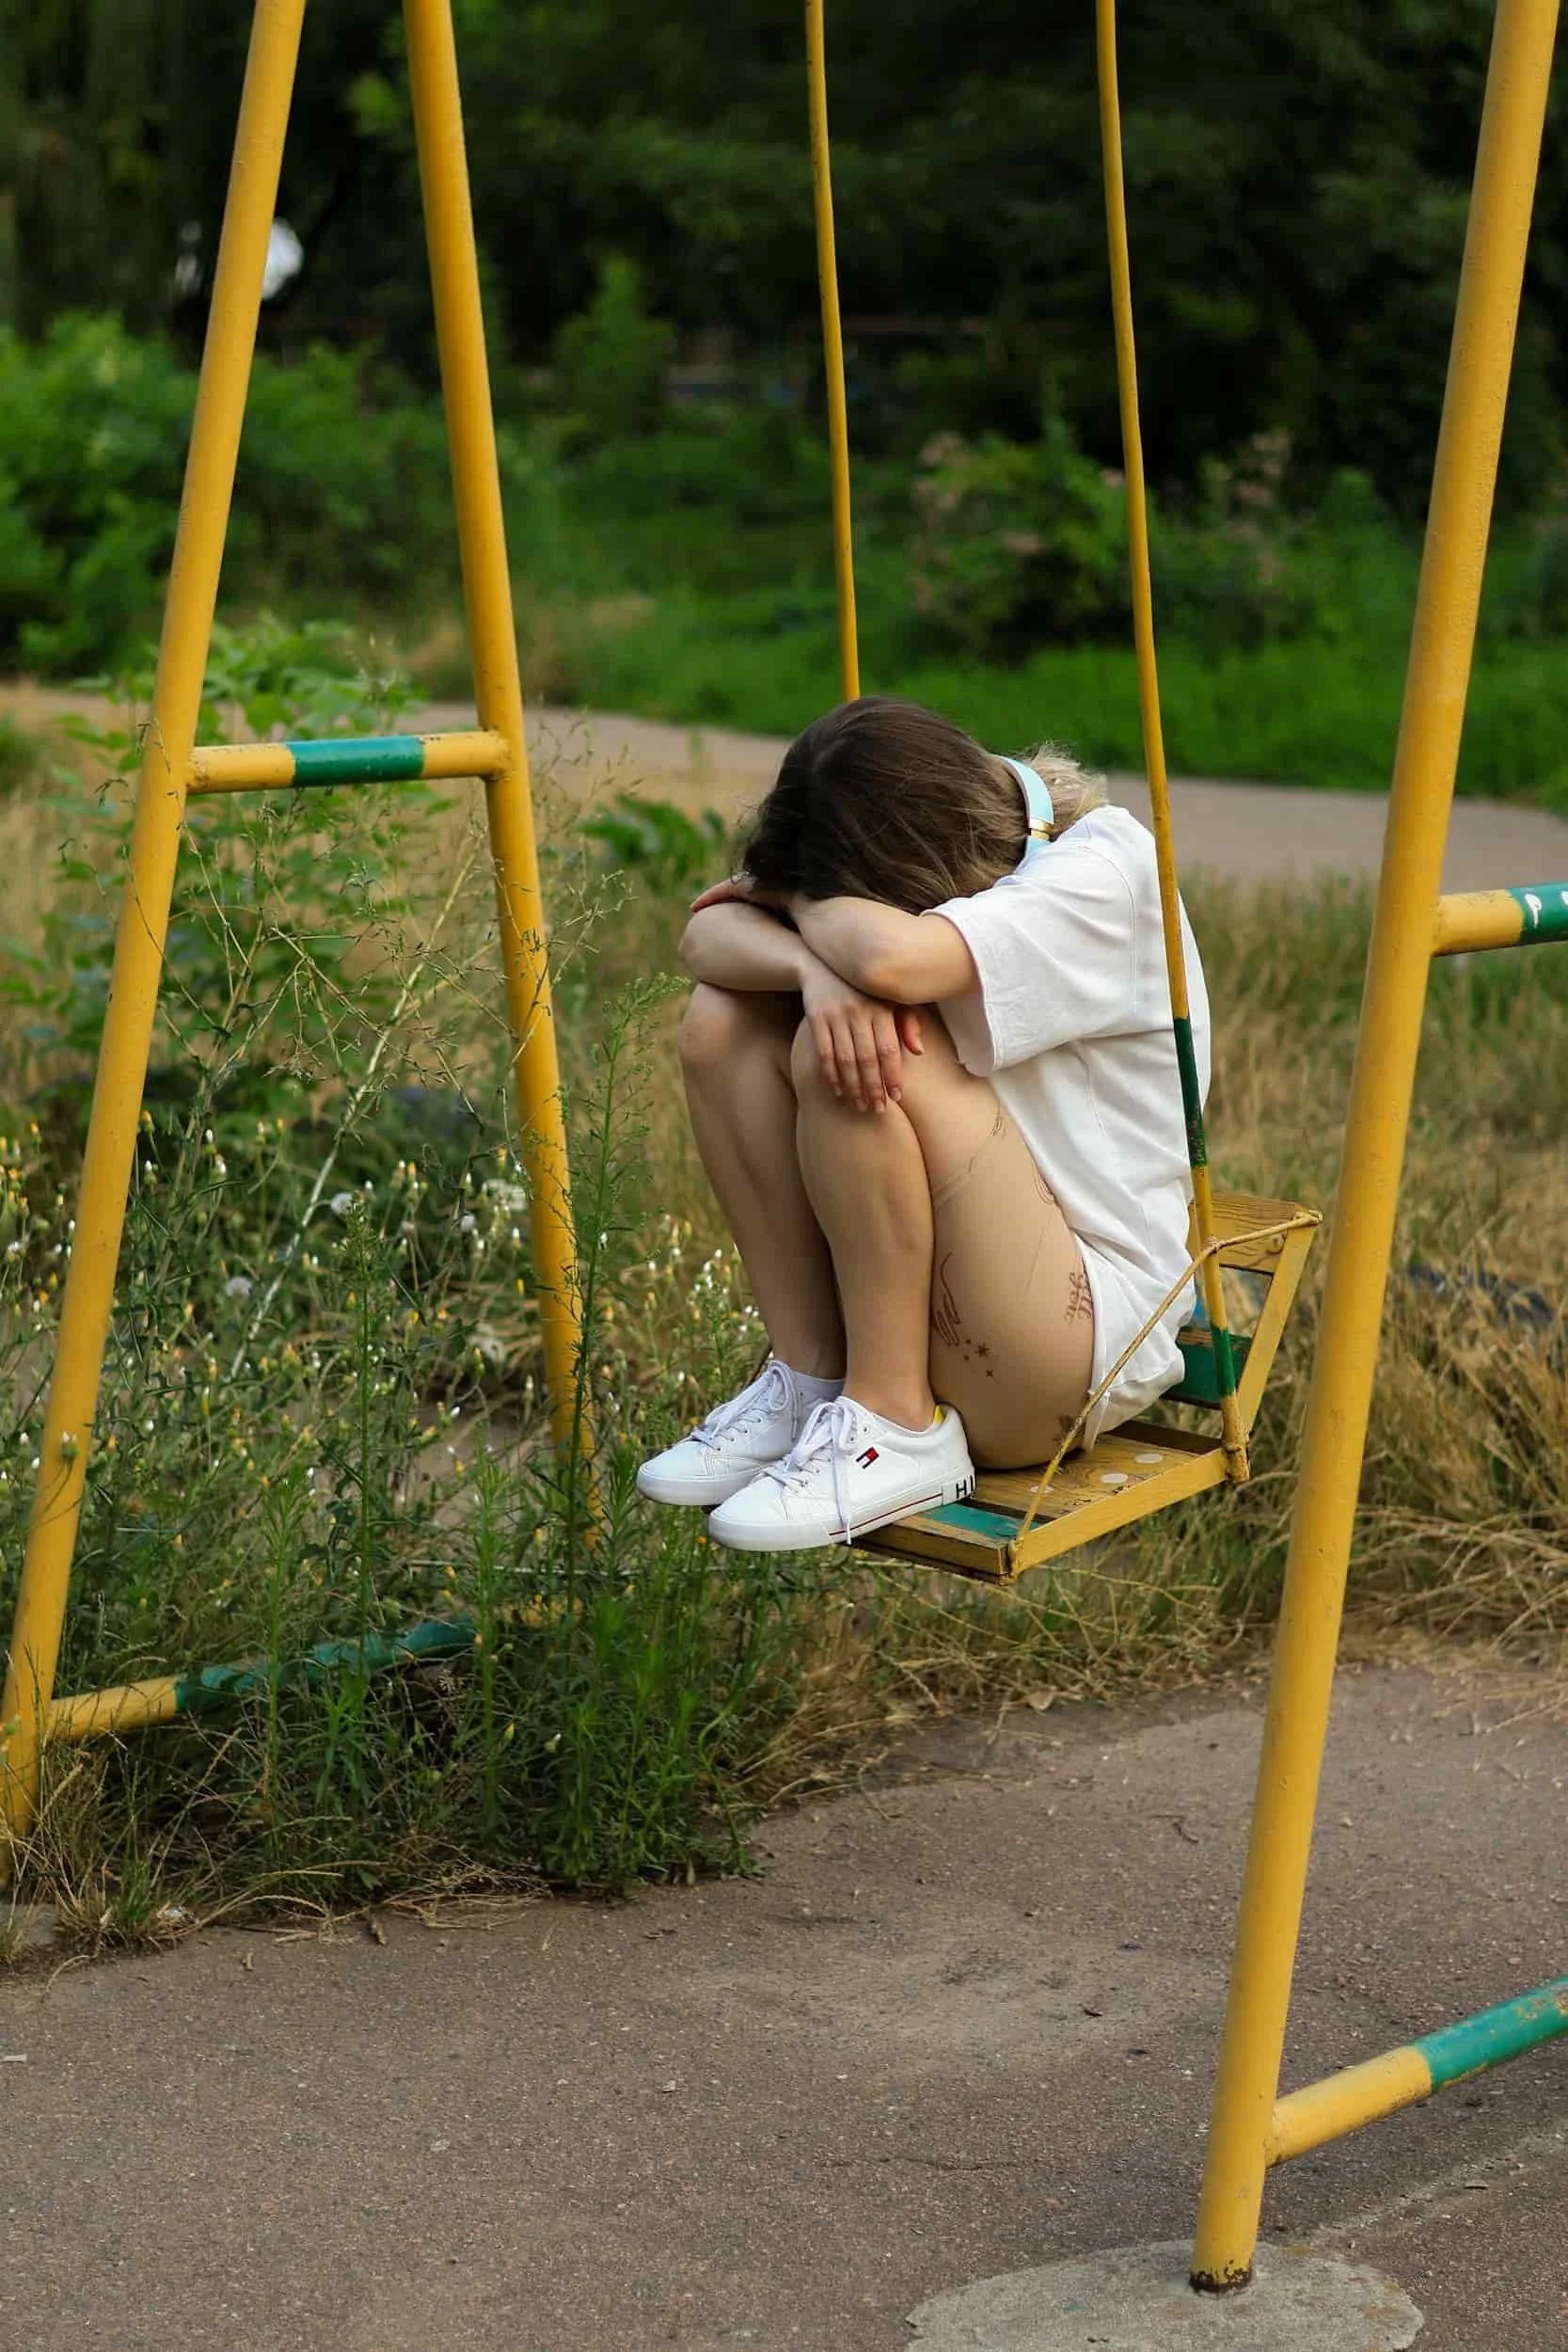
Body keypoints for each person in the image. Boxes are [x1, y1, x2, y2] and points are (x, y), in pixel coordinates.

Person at [636, 694, 1209, 1553]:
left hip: (1070, 1347)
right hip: (942, 1301)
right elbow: (705, 938)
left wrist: (793, 905)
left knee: (867, 1053)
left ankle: (894, 1424)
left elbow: (890, 959)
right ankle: (810, 1379)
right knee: (723, 1016)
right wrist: (808, 964)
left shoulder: (1105, 870)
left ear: (915, 866)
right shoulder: (952, 878)